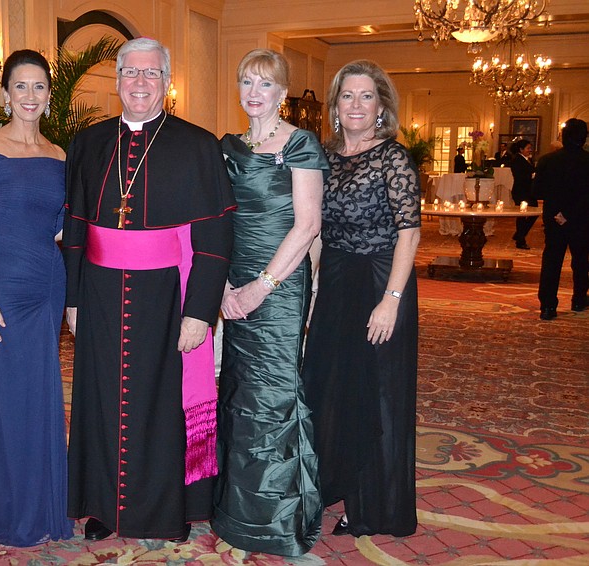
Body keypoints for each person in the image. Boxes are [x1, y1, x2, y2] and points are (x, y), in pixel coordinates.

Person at [63, 37, 235, 542]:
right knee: (100, 399)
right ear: (116, 81)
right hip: (97, 294)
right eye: (131, 73)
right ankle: (102, 507)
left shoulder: (198, 145)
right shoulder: (90, 144)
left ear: (167, 82)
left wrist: (199, 312)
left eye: (151, 74)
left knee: (164, 404)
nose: (140, 83)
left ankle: (167, 509)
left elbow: (215, 237)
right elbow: (74, 226)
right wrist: (72, 300)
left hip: (167, 296)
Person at [0, 49, 74, 546]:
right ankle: (8, 508)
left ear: (49, 97)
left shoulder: (60, 156)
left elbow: (63, 225)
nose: (30, 95)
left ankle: (48, 505)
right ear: (5, 94)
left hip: (48, 280)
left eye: (39, 87)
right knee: (8, 400)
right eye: (20, 86)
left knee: (46, 395)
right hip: (0, 286)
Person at [211, 49, 327, 556]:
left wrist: (261, 286)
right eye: (246, 83)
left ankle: (280, 517)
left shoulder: (301, 145)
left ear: (282, 93)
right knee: (236, 392)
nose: (254, 93)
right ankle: (239, 511)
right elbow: (214, 221)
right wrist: (221, 289)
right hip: (233, 285)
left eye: (265, 84)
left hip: (277, 286)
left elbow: (308, 226)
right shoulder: (227, 146)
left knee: (275, 394)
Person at [302, 59, 420, 538]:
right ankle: (332, 484)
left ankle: (374, 505)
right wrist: (308, 294)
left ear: (380, 106)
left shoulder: (394, 158)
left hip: (379, 282)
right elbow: (313, 231)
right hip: (334, 283)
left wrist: (391, 299)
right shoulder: (323, 156)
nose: (355, 104)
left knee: (377, 395)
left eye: (365, 96)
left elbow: (409, 235)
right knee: (329, 388)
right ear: (335, 106)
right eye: (347, 96)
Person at [534, 118, 589, 320]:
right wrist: (572, 214)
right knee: (581, 260)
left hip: (555, 218)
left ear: (563, 137)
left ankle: (548, 307)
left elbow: (537, 190)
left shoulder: (548, 160)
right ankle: (579, 299)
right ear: (584, 138)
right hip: (582, 219)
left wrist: (559, 213)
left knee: (552, 261)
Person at [510, 139, 537, 249]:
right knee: (522, 215)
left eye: (530, 148)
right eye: (528, 148)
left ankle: (519, 234)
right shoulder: (517, 160)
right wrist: (532, 176)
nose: (530, 150)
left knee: (534, 212)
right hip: (520, 191)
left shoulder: (527, 159)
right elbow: (519, 176)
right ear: (521, 149)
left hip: (528, 191)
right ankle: (520, 240)